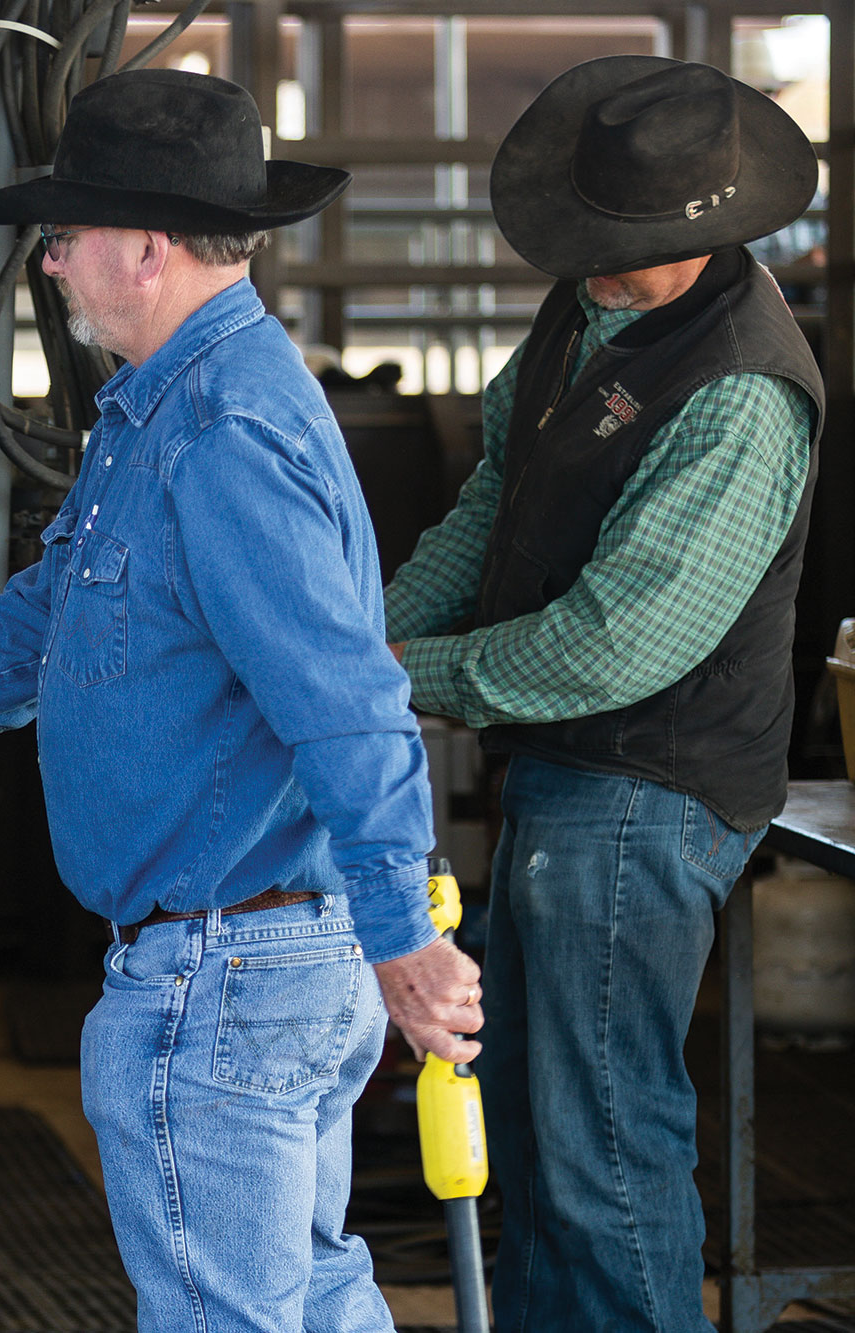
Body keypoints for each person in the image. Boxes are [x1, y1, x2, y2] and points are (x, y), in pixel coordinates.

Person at [0, 72, 481, 1330]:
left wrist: (403, 931)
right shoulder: (154, 412)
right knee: (304, 1305)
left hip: (227, 972)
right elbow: (35, 632)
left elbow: (347, 698)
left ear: (145, 245)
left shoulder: (224, 429)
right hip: (244, 961)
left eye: (60, 238)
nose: (49, 266)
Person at [383, 57, 822, 1333]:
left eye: (620, 247)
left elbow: (611, 647)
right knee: (527, 1120)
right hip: (565, 773)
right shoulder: (583, 311)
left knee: (601, 1146)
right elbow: (488, 506)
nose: (593, 263)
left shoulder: (736, 388)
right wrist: (363, 642)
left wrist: (396, 677)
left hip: (648, 788)